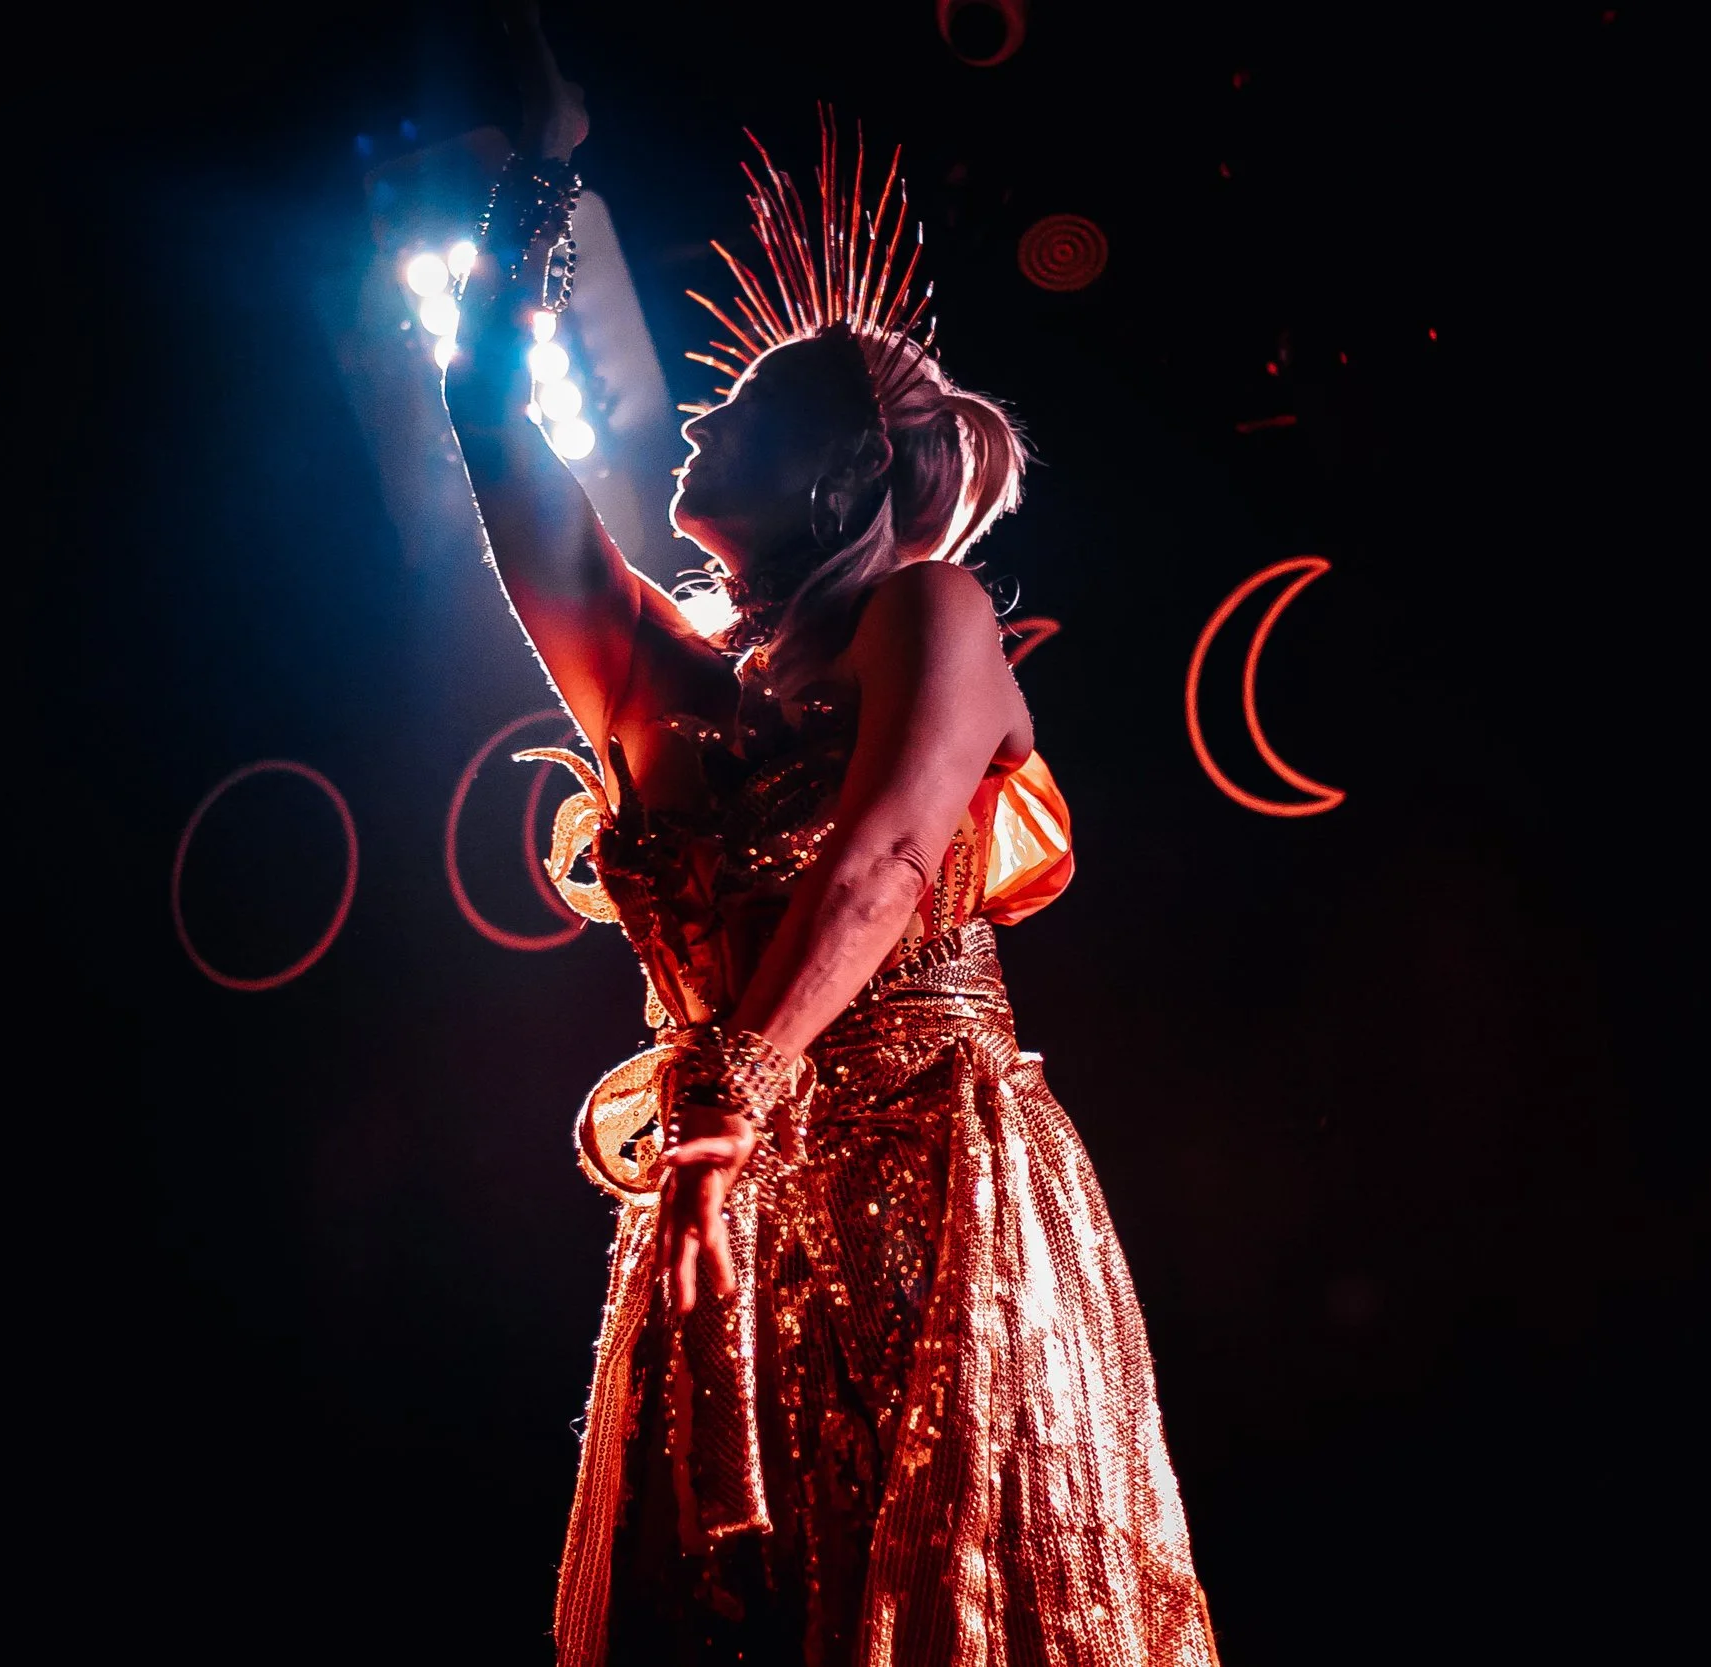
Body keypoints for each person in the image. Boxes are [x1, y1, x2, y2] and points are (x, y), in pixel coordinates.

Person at [441, 20, 1218, 1664]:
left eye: (737, 408)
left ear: (830, 472)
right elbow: (494, 434)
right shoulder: (651, 670)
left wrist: (730, 1095)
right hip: (728, 1200)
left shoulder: (931, 613)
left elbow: (875, 866)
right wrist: (537, 181)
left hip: (927, 1192)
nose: (696, 418)